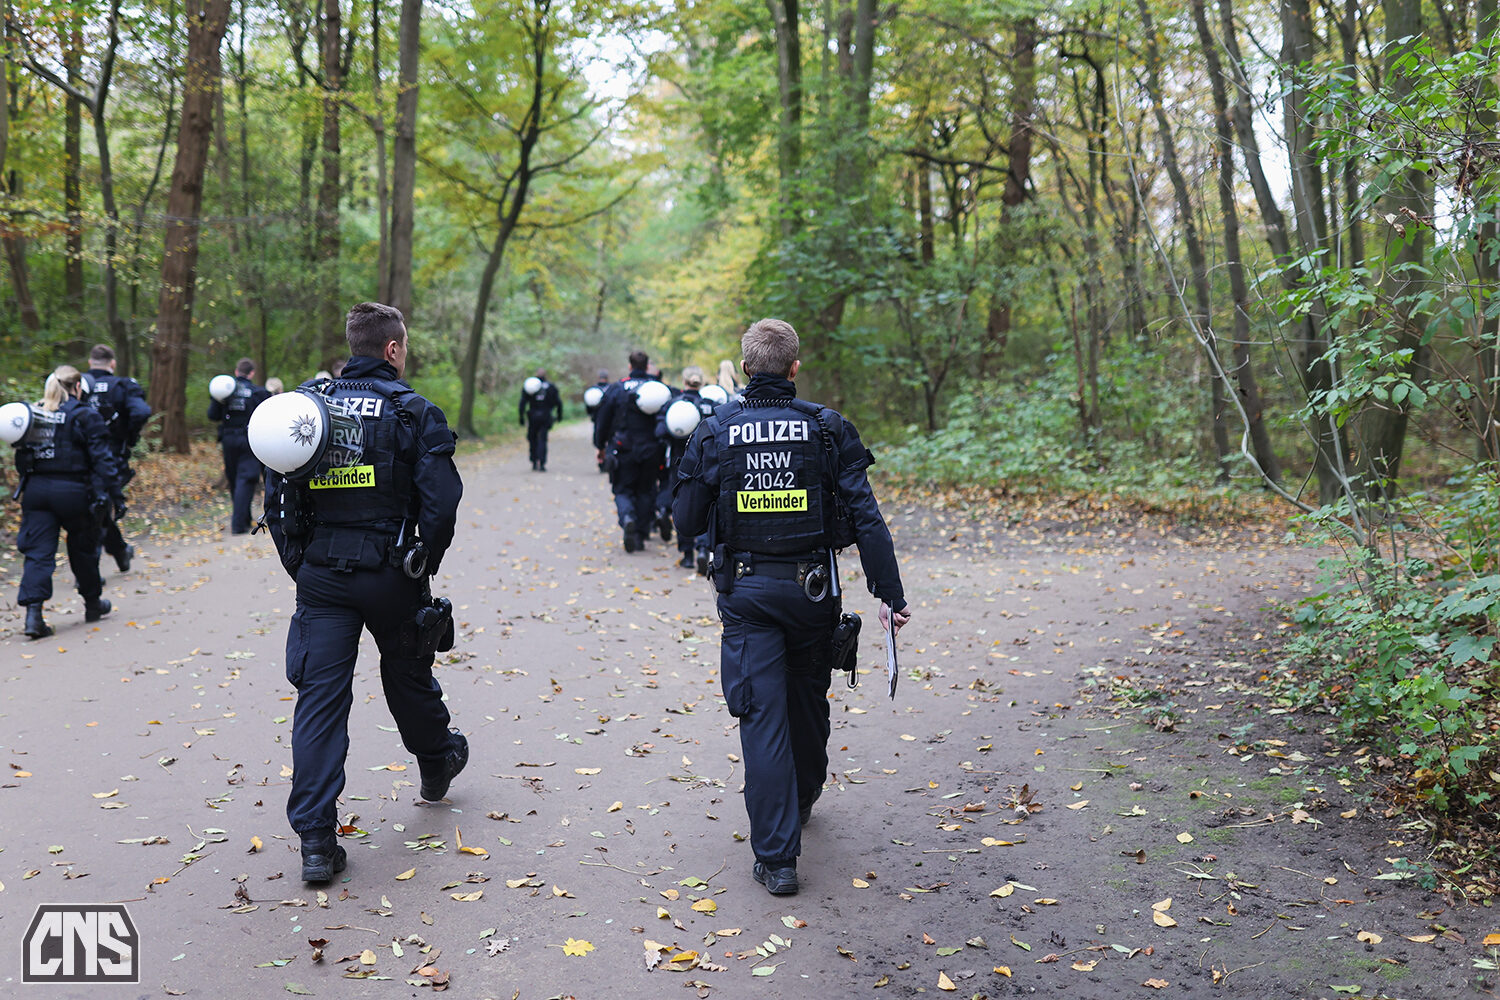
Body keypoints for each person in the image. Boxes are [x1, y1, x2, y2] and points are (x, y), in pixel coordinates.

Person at [672, 319, 912, 896]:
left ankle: (778, 860)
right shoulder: (827, 429)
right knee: (806, 699)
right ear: (794, 368)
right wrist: (890, 593)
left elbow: (684, 520)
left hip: (748, 596)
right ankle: (802, 797)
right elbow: (867, 516)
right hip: (812, 594)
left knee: (762, 716)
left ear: (747, 367)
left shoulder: (715, 431)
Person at [264, 302, 468, 884]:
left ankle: (316, 841)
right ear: (393, 349)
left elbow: (277, 498)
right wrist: (423, 561)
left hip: (323, 577)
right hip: (392, 572)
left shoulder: (305, 411)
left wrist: (300, 563)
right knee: (407, 674)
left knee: (320, 700)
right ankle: (436, 762)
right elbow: (442, 504)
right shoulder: (413, 411)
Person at [12, 366, 121, 639]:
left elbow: (21, 459)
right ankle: (93, 604)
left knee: (38, 552)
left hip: (37, 492)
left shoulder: (34, 414)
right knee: (83, 550)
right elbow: (103, 462)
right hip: (74, 492)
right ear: (78, 387)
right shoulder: (85, 415)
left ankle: (33, 615)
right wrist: (112, 495)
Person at [82, 344, 151, 573]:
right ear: (112, 363)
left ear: (90, 363)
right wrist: (128, 437)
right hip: (111, 456)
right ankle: (119, 551)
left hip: (80, 458)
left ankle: (91, 568)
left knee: (98, 507)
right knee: (99, 508)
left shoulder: (77, 384)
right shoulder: (122, 385)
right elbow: (141, 412)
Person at [594, 350, 667, 552]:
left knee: (622, 489)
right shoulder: (658, 389)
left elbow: (603, 420)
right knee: (646, 490)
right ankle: (641, 535)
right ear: (646, 367)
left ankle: (627, 517)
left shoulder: (616, 388)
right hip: (651, 449)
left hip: (622, 448)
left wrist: (600, 446)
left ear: (629, 366)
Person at [656, 366, 718, 569]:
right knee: (708, 505)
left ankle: (687, 554)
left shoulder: (673, 404)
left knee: (682, 505)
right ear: (701, 381)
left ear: (684, 382)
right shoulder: (711, 405)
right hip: (707, 463)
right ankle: (703, 547)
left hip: (680, 464)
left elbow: (660, 432)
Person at [209, 358, 271, 535]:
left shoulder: (224, 392)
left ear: (236, 372)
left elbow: (212, 415)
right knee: (246, 478)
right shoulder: (258, 392)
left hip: (228, 441)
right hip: (249, 439)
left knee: (235, 478)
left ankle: (243, 519)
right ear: (251, 373)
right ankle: (238, 525)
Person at [518, 368, 564, 471]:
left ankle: (534, 461)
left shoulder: (529, 386)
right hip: (546, 416)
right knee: (543, 439)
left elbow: (522, 403)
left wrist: (521, 417)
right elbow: (559, 403)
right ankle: (542, 463)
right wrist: (559, 415)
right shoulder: (551, 387)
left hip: (533, 416)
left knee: (532, 438)